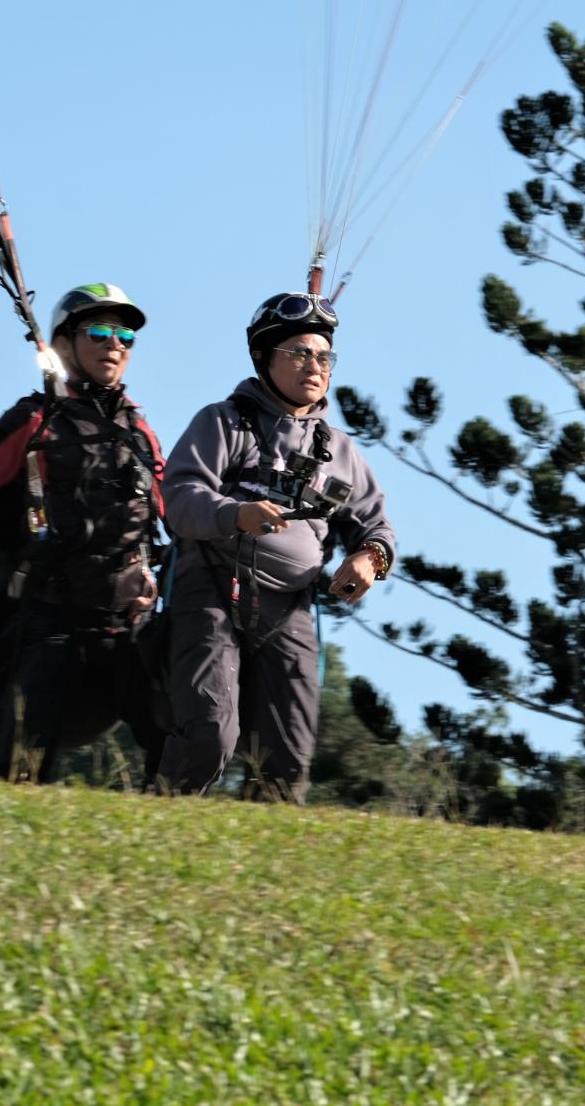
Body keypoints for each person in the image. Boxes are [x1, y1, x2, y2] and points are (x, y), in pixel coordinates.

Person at [0, 283, 167, 784]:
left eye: (125, 336)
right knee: (26, 747)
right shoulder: (38, 417)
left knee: (171, 730)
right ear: (64, 345)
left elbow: (172, 501)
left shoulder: (139, 431)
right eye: (99, 332)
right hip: (53, 613)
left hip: (126, 618)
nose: (115, 344)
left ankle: (179, 824)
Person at [157, 291, 395, 803]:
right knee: (210, 736)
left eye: (324, 356)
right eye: (299, 353)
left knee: (287, 761)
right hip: (213, 591)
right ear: (264, 358)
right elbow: (178, 497)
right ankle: (154, 827)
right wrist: (233, 514)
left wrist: (369, 558)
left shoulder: (339, 450)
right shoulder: (223, 422)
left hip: (289, 609)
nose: (315, 365)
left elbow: (375, 524)